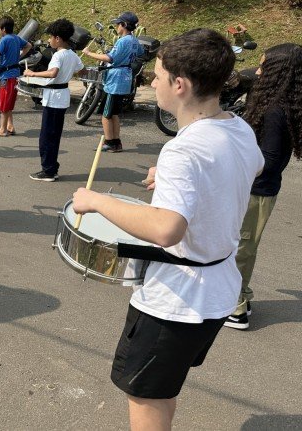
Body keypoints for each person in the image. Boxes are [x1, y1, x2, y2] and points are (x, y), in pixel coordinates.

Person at [71, 29, 263, 431]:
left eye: (157, 76)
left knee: (144, 395)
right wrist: (182, 183)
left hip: (178, 298)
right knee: (163, 388)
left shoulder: (183, 149)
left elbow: (166, 230)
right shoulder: (237, 128)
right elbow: (250, 167)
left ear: (180, 84)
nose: (151, 82)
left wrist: (96, 201)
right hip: (218, 289)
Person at [225, 43, 302, 330]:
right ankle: (240, 296)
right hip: (260, 189)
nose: (257, 71)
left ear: (278, 72)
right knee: (242, 246)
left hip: (256, 190)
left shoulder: (275, 111)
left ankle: (236, 310)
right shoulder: (282, 102)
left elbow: (267, 160)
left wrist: (231, 166)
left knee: (240, 248)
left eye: (263, 67)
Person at [22, 19, 84, 182]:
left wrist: (32, 74)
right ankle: (51, 167)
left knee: (46, 137)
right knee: (54, 135)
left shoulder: (58, 55)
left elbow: (52, 73)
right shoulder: (72, 54)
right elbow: (82, 70)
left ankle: (48, 170)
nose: (49, 40)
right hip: (62, 96)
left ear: (58, 38)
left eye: (50, 37)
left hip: (54, 98)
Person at [82, 11, 144, 152]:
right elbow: (140, 53)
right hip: (126, 77)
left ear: (124, 25)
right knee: (114, 113)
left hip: (116, 79)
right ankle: (116, 142)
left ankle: (109, 142)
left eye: (118, 23)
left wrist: (88, 53)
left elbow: (110, 58)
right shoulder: (134, 40)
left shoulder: (123, 41)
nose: (117, 26)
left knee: (106, 114)